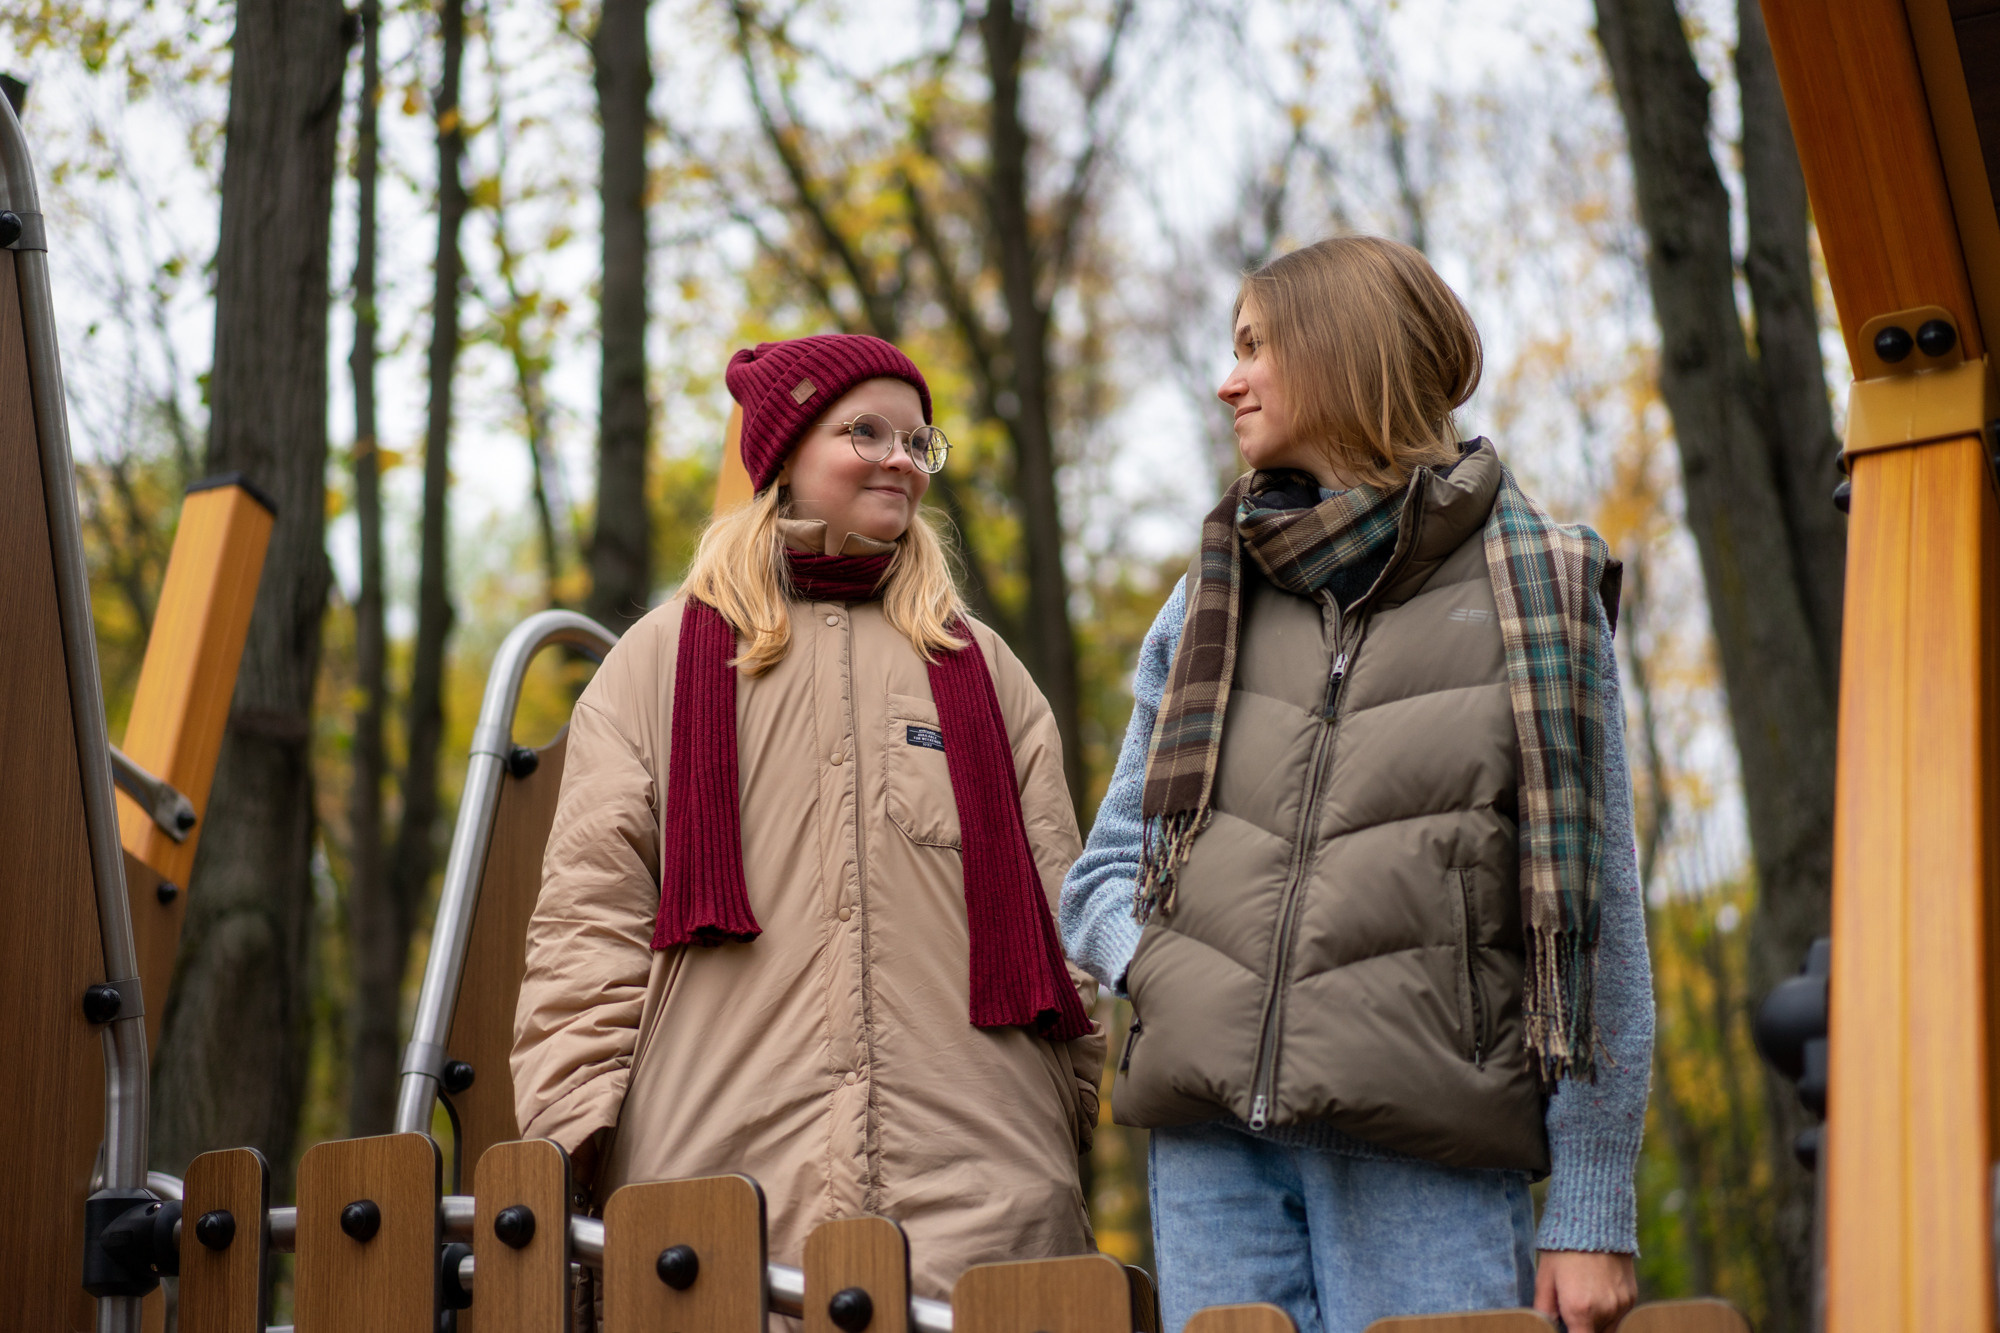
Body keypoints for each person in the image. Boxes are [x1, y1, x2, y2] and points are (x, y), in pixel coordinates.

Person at [1060, 237, 1652, 1333]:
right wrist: (1171, 966)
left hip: (1425, 1145)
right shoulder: (1207, 601)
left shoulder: (1543, 591)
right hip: (1211, 1159)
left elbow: (1597, 929)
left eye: (1252, 347)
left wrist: (1589, 1205)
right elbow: (1098, 872)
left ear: (1344, 355)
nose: (1224, 379)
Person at [513, 333, 1105, 1302]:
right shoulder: (655, 664)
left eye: (918, 443)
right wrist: (573, 1141)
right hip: (713, 1194)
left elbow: (1064, 925)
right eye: (862, 431)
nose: (897, 459)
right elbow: (587, 922)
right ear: (784, 451)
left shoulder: (987, 675)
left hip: (976, 1203)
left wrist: (1056, 1115)